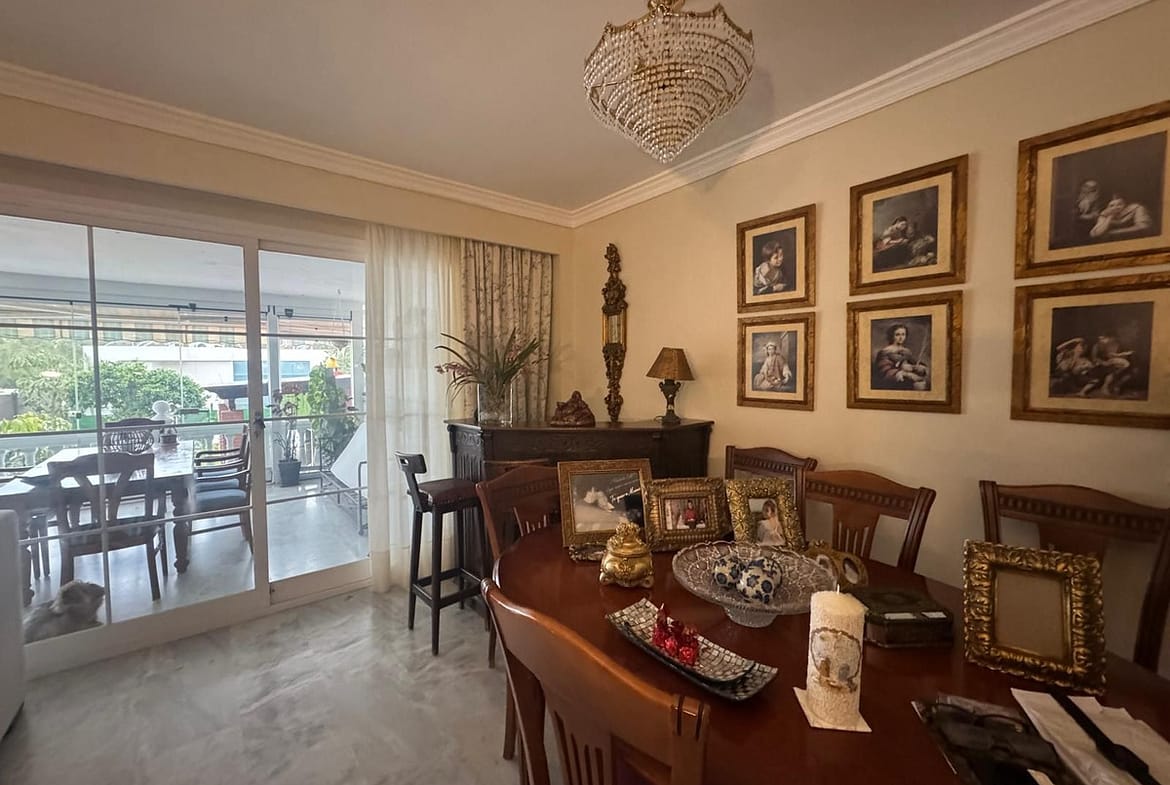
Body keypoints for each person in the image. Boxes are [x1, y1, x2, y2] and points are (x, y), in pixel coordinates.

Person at [872, 323, 929, 390]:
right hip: (894, 383)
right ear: (892, 336)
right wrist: (904, 372)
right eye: (897, 335)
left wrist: (918, 368)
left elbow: (914, 363)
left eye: (903, 334)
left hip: (908, 380)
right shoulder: (885, 352)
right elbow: (884, 371)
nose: (901, 338)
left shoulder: (906, 351)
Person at [1090, 193, 1154, 239]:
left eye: (1119, 204)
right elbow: (1095, 233)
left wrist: (1115, 232)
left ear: (1125, 204)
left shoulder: (1136, 208)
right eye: (1111, 205)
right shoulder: (1106, 213)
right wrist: (1109, 218)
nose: (1115, 207)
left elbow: (1144, 227)